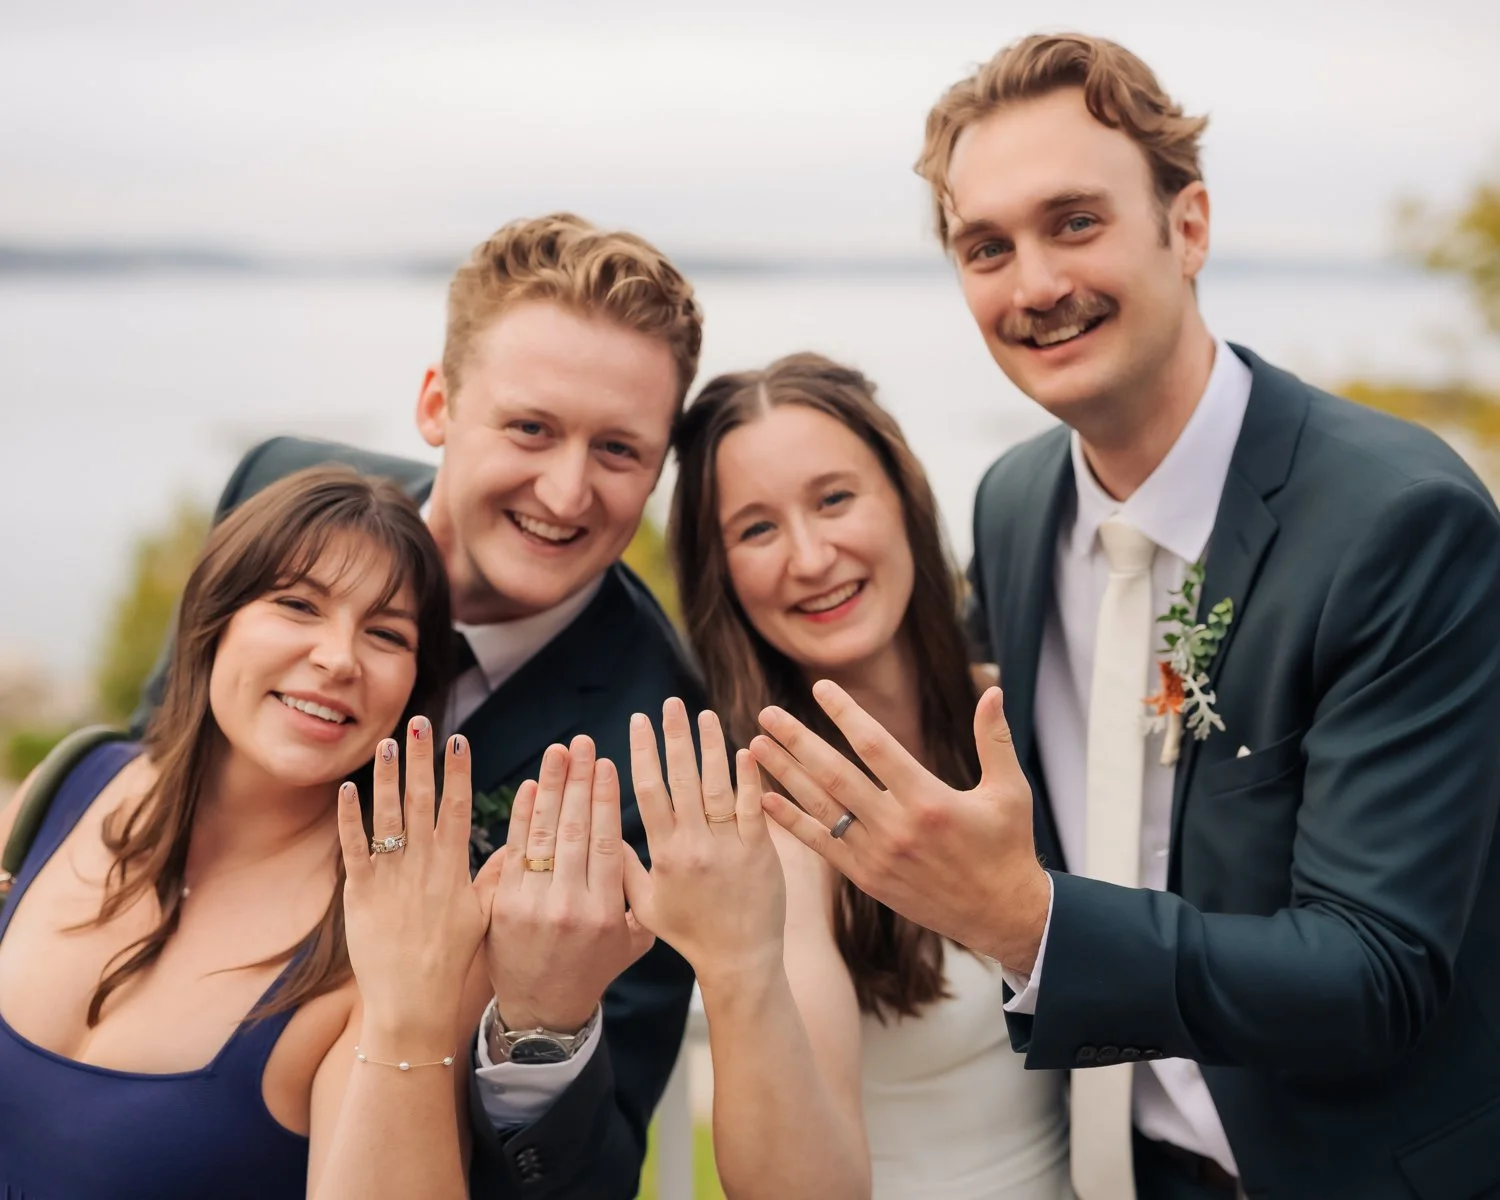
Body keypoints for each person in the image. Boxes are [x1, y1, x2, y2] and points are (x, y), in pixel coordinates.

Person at [750, 33, 1500, 1200]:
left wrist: (1027, 921)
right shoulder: (1013, 505)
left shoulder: (1398, 524)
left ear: (1188, 226)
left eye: (1075, 222)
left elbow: (1377, 971)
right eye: (985, 247)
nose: (1035, 285)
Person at [131, 213, 707, 1197]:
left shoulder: (660, 753)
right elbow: (160, 768)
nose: (566, 494)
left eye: (619, 451)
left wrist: (543, 1028)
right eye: (531, 428)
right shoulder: (278, 491)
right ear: (437, 403)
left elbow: (598, 1170)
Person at [623, 353, 1071, 1199]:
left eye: (834, 499)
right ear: (721, 572)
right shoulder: (778, 820)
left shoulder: (1025, 712)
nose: (810, 555)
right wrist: (735, 966)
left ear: (903, 499)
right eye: (756, 528)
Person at [0, 466, 493, 1198]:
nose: (337, 658)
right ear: (214, 616)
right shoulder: (68, 782)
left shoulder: (410, 928)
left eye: (386, 633)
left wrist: (408, 1017)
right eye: (298, 605)